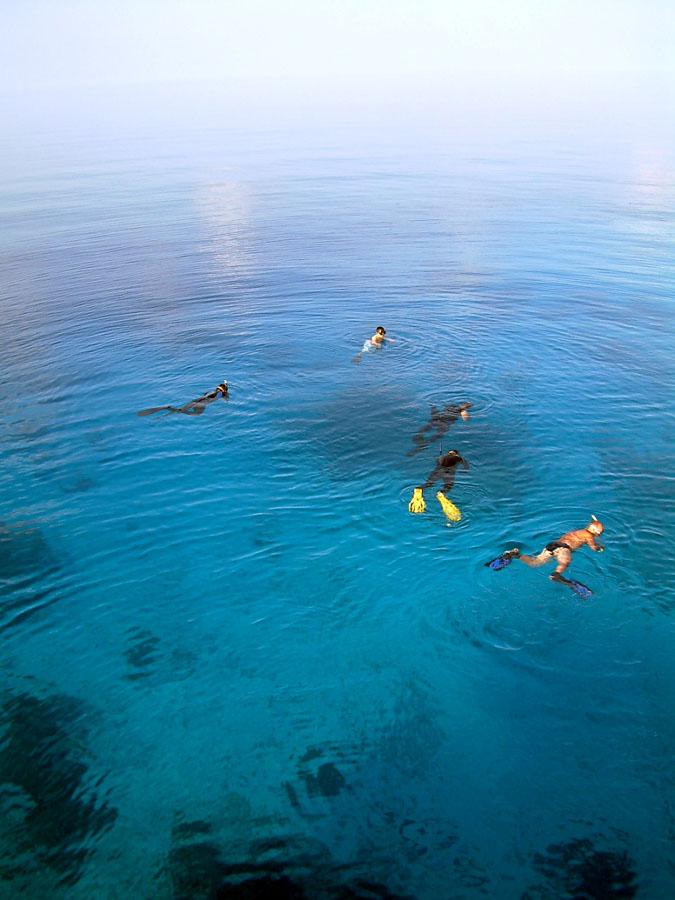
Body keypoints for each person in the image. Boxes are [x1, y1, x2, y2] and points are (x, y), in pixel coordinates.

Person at [489, 516, 605, 595]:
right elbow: (593, 547)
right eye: (599, 534)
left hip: (552, 545)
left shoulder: (579, 531)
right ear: (594, 531)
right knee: (565, 562)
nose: (597, 536)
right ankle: (556, 574)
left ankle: (516, 554)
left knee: (535, 562)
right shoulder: (589, 535)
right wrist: (599, 548)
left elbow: (590, 526)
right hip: (563, 548)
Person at [407, 402, 472, 457]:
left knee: (425, 429)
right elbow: (466, 420)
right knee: (438, 435)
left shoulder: (452, 405)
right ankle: (424, 445)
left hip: (436, 420)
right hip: (445, 423)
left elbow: (443, 407)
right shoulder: (463, 411)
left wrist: (433, 408)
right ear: (466, 407)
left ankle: (419, 437)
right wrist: (465, 413)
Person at [137, 381, 229, 417]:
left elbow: (208, 395)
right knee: (196, 414)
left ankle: (167, 409)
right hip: (201, 404)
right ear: (224, 390)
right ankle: (167, 409)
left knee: (178, 410)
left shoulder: (210, 391)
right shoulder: (219, 393)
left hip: (195, 401)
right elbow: (214, 395)